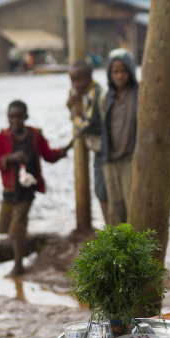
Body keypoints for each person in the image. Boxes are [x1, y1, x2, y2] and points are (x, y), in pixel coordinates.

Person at [0, 100, 67, 275]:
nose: (15, 121)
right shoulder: (3, 137)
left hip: (27, 190)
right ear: (7, 118)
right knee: (4, 227)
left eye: (19, 117)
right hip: (10, 190)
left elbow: (48, 155)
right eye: (11, 117)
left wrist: (61, 152)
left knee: (16, 226)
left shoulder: (34, 135)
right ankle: (22, 245)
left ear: (26, 117)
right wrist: (11, 158)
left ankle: (18, 266)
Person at [67, 60, 108, 223]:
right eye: (73, 81)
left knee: (103, 191)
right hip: (99, 148)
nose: (75, 84)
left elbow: (91, 124)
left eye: (79, 80)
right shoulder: (82, 93)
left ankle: (112, 230)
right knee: (102, 191)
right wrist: (70, 105)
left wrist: (75, 119)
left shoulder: (94, 94)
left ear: (89, 77)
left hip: (103, 148)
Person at [101, 48, 138, 226]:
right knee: (115, 207)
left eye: (124, 71)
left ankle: (135, 247)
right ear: (110, 74)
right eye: (115, 72)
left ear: (130, 72)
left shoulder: (138, 95)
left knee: (133, 203)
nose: (120, 76)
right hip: (110, 159)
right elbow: (96, 124)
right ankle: (118, 247)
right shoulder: (106, 98)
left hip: (130, 158)